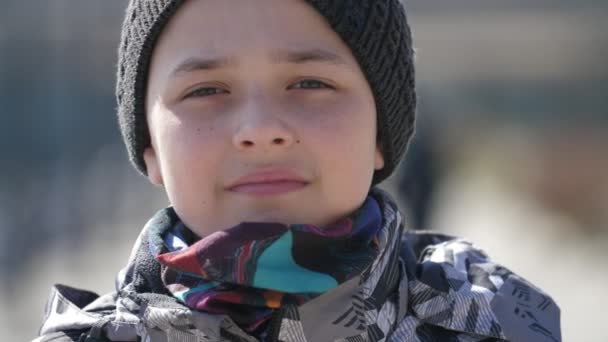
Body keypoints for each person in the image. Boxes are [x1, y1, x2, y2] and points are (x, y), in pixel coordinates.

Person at [34, 0, 561, 341]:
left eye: (310, 83)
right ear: (149, 147)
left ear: (382, 130)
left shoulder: (500, 321)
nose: (261, 128)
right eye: (206, 90)